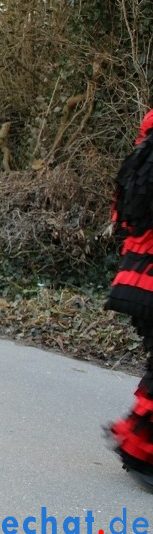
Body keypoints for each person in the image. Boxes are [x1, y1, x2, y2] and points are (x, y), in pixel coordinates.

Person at [105, 109, 153, 491]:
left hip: (135, 277)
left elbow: (122, 219)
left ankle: (138, 448)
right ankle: (138, 450)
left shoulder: (140, 157)